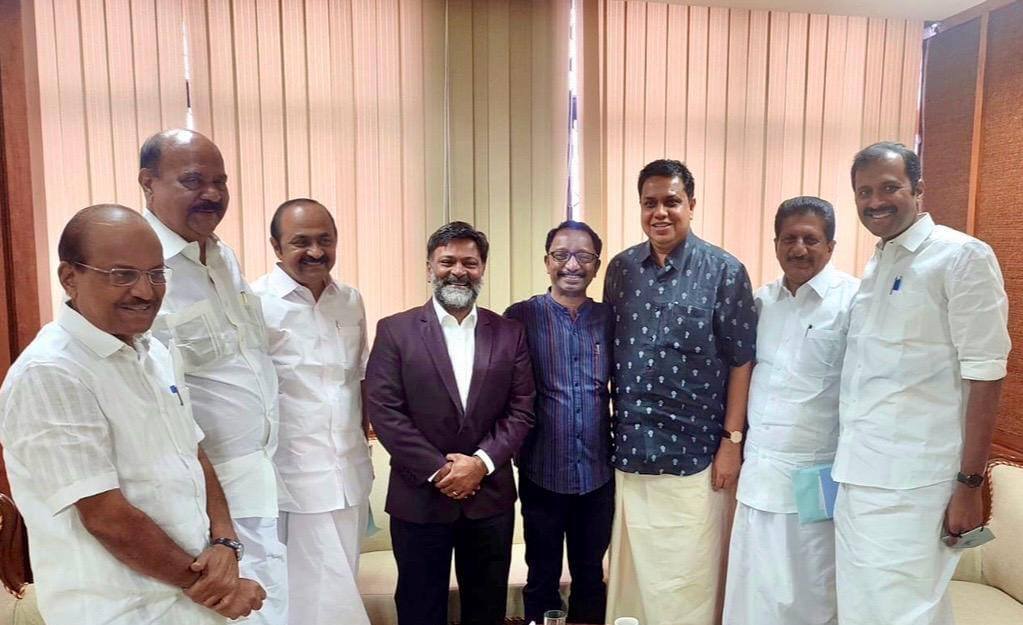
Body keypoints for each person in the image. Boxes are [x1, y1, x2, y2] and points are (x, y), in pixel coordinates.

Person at [0, 205, 265, 625]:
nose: (146, 291)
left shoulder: (153, 351)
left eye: (156, 274)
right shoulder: (51, 372)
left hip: (193, 600)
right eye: (122, 275)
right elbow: (106, 517)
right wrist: (219, 590)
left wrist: (226, 543)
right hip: (122, 610)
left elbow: (194, 455)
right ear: (69, 277)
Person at [834, 142, 1010, 625]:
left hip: (914, 481)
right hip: (859, 475)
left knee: (901, 613)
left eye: (889, 187)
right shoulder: (879, 262)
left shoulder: (960, 257)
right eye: (864, 191)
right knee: (864, 609)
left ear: (918, 189)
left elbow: (986, 374)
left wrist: (970, 484)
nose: (875, 201)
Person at [138, 129, 287, 624]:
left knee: (273, 609)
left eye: (220, 181)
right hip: (201, 500)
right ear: (148, 183)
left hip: (260, 479)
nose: (213, 194)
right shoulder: (139, 269)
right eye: (193, 181)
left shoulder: (222, 256)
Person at [603, 159, 757, 625]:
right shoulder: (621, 270)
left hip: (697, 457)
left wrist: (731, 443)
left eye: (671, 201)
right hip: (630, 453)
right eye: (649, 203)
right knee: (633, 585)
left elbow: (741, 360)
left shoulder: (724, 271)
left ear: (691, 204)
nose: (660, 213)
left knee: (689, 585)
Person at [366, 221, 535, 625]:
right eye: (447, 261)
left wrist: (480, 463)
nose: (458, 270)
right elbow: (385, 411)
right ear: (430, 266)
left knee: (486, 611)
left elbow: (522, 408)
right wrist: (441, 470)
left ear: (482, 269)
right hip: (419, 498)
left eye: (469, 262)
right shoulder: (395, 330)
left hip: (489, 499)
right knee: (419, 610)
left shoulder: (509, 333)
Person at [722, 196, 859, 625]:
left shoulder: (854, 302)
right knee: (753, 591)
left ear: (831, 246)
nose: (799, 248)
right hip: (759, 473)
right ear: (776, 244)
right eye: (789, 239)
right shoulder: (761, 302)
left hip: (817, 478)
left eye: (811, 239)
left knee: (811, 594)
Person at [251, 198, 373, 625]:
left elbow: (359, 379)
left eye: (326, 240)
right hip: (293, 480)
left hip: (350, 476)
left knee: (341, 585)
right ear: (276, 246)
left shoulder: (350, 300)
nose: (316, 251)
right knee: (307, 601)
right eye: (301, 242)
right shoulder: (254, 303)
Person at [505, 220, 613, 624]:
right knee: (542, 576)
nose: (572, 264)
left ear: (596, 265)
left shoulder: (609, 318)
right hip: (542, 471)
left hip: (598, 474)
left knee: (591, 576)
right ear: (546, 261)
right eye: (561, 254)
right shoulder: (520, 317)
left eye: (583, 256)